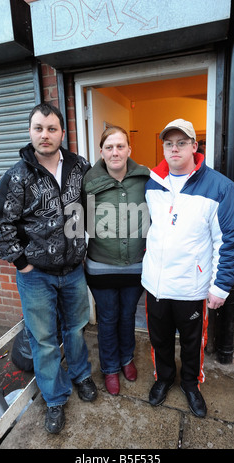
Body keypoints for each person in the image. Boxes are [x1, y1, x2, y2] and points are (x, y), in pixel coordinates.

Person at [0, 103, 97, 434]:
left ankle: (81, 376)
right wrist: (22, 263)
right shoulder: (18, 175)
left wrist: (84, 244)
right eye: (39, 128)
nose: (45, 134)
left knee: (76, 328)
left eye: (52, 128)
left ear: (62, 133)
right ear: (30, 132)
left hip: (74, 270)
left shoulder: (80, 167)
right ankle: (55, 398)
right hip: (36, 275)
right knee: (44, 338)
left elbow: (91, 208)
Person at [141, 118, 234, 417]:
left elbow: (229, 241)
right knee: (159, 339)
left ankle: (190, 383)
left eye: (181, 143)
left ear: (194, 146)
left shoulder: (220, 187)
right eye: (169, 143)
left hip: (191, 286)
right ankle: (163, 378)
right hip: (156, 284)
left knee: (191, 343)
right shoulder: (151, 183)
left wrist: (220, 286)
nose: (174, 149)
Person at [82, 126, 150, 395]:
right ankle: (110, 368)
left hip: (135, 266)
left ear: (129, 149)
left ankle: (126, 359)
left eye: (120, 146)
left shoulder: (145, 178)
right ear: (101, 152)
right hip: (101, 266)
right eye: (109, 147)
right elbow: (79, 221)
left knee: (127, 315)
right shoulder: (88, 181)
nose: (115, 152)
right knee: (108, 318)